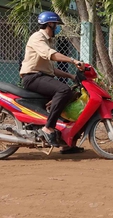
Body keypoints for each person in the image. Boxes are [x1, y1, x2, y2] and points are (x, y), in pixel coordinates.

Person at [20, 11, 83, 149]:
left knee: (70, 95)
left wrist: (72, 76)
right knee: (63, 90)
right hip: (32, 77)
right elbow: (51, 56)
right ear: (50, 24)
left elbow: (51, 70)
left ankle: (67, 143)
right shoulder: (37, 38)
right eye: (56, 25)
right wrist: (73, 60)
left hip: (42, 76)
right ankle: (48, 128)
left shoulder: (48, 41)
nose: (58, 28)